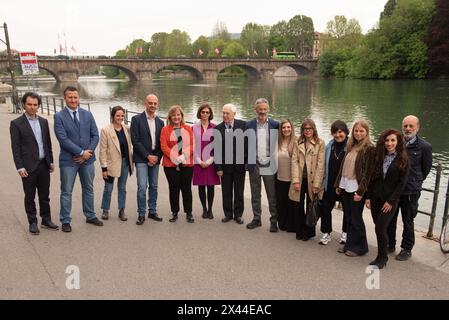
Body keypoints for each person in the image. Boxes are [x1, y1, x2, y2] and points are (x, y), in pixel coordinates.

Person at [54, 86, 102, 232]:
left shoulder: (87, 114)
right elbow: (63, 139)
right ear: (65, 98)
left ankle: (90, 215)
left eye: (75, 97)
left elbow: (95, 135)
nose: (73, 100)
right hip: (69, 161)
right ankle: (66, 220)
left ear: (78, 98)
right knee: (66, 191)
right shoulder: (59, 116)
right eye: (70, 97)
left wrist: (88, 153)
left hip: (87, 160)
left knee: (88, 188)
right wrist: (81, 152)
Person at [10, 92, 58, 234]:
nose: (32, 107)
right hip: (28, 166)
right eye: (29, 104)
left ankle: (46, 219)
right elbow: (16, 147)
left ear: (38, 106)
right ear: (24, 105)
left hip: (44, 164)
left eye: (35, 105)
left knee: (44, 195)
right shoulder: (16, 124)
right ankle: (32, 222)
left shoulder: (43, 122)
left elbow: (47, 144)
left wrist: (51, 161)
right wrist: (19, 166)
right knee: (29, 196)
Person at [387, 115, 432, 261]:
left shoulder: (424, 147)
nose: (407, 129)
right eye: (405, 126)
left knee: (408, 219)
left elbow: (426, 169)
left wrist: (414, 181)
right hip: (394, 189)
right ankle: (390, 243)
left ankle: (406, 248)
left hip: (411, 190)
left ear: (417, 127)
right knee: (391, 218)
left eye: (411, 126)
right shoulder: (395, 142)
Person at [366, 129, 409, 269]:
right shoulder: (379, 156)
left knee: (380, 228)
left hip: (389, 201)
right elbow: (372, 179)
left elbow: (401, 184)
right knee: (379, 228)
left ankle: (382, 258)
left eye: (392, 140)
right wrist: (368, 197)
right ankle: (382, 254)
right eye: (387, 140)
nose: (389, 143)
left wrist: (391, 201)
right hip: (376, 198)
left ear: (398, 142)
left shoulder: (403, 160)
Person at [335, 120, 375, 256]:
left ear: (366, 133)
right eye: (356, 131)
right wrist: (338, 184)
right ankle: (349, 244)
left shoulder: (369, 148)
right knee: (349, 217)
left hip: (356, 188)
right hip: (346, 185)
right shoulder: (351, 145)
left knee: (356, 218)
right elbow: (343, 167)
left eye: (361, 131)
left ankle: (361, 247)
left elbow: (367, 173)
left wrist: (361, 192)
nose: (358, 133)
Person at [130, 94, 164, 225]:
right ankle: (141, 213)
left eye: (155, 103)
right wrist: (147, 156)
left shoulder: (160, 122)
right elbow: (135, 141)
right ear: (145, 103)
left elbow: (162, 142)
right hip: (141, 159)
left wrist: (156, 157)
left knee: (154, 186)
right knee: (142, 187)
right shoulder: (136, 119)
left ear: (157, 104)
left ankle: (152, 211)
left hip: (155, 159)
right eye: (150, 103)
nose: (153, 106)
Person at [246, 98, 279, 232]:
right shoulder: (249, 125)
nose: (263, 112)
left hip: (269, 164)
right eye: (260, 109)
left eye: (265, 109)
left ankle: (274, 220)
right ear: (256, 110)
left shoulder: (275, 124)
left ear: (269, 110)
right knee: (255, 193)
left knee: (272, 194)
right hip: (254, 164)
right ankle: (257, 218)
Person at [289, 119, 325, 241]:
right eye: (305, 129)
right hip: (299, 179)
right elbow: (294, 161)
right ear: (302, 130)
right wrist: (295, 180)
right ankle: (299, 231)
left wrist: (317, 184)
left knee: (310, 206)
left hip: (312, 181)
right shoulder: (298, 142)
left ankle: (308, 232)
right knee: (298, 206)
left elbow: (320, 165)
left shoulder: (320, 143)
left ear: (313, 129)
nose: (307, 131)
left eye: (309, 128)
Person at [99, 106, 134, 221]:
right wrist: (104, 168)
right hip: (111, 164)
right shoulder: (105, 130)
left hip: (125, 163)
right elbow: (102, 150)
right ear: (113, 116)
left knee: (122, 187)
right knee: (108, 188)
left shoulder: (127, 129)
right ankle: (105, 210)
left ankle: (121, 210)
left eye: (122, 116)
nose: (120, 118)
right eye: (118, 115)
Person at [160, 105, 195, 223]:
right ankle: (174, 212)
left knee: (186, 188)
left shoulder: (188, 128)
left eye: (178, 115)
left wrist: (184, 155)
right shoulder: (165, 130)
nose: (176, 117)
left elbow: (192, 144)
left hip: (187, 164)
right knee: (173, 188)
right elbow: (164, 147)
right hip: (170, 164)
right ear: (170, 117)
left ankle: (189, 212)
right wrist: (176, 157)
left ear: (182, 116)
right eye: (174, 115)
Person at [214, 104, 247, 224]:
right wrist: (218, 167)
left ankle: (238, 215)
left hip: (239, 166)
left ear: (234, 114)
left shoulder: (243, 125)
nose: (224, 115)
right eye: (223, 113)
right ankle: (228, 214)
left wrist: (247, 162)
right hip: (225, 168)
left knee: (239, 192)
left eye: (227, 113)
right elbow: (216, 151)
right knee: (226, 192)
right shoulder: (218, 129)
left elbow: (247, 145)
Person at [319, 120, 350, 245]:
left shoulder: (351, 146)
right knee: (325, 208)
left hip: (345, 185)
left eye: (340, 132)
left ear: (346, 132)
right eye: (335, 132)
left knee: (347, 210)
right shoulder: (329, 146)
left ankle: (345, 233)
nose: (338, 135)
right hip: (329, 183)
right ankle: (326, 233)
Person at [192, 103, 220, 219]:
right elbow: (192, 146)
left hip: (211, 162)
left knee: (211, 186)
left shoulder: (215, 128)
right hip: (198, 162)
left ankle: (210, 209)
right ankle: (204, 209)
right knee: (201, 186)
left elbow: (217, 147)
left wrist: (209, 161)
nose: (205, 114)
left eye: (207, 112)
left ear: (210, 114)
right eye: (203, 112)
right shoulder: (193, 128)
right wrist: (199, 160)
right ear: (199, 113)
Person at [276, 119, 297, 232]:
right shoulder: (277, 142)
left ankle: (291, 225)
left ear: (292, 128)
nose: (286, 129)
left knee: (291, 203)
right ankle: (282, 222)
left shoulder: (297, 141)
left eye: (288, 127)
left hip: (292, 179)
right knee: (281, 201)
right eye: (284, 127)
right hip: (279, 177)